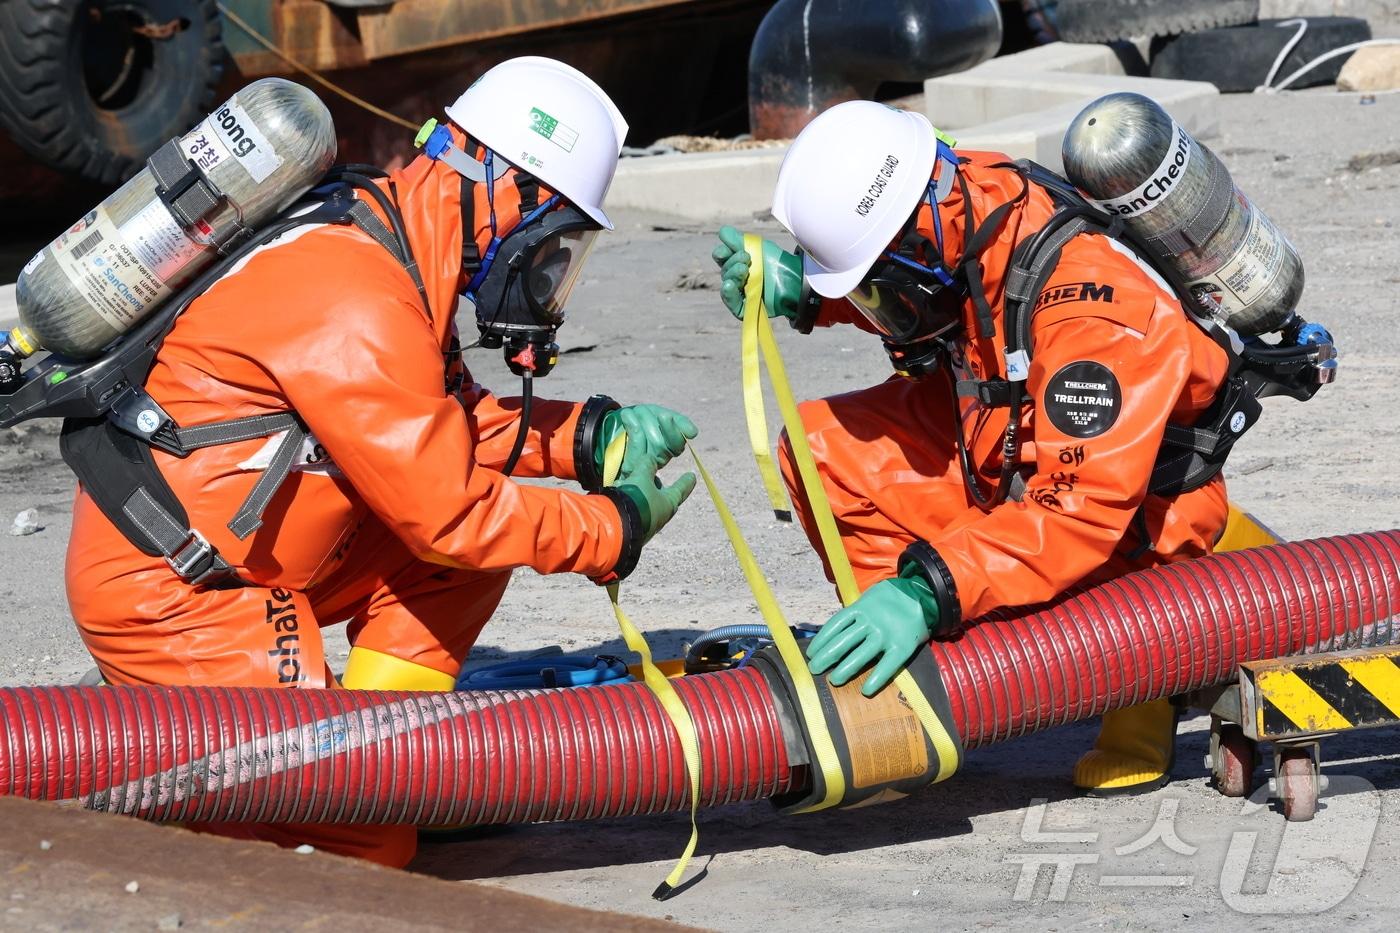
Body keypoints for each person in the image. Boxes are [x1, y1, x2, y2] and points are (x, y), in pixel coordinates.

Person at [65, 57, 696, 865]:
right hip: (181, 592)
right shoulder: (355, 296)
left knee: (466, 563)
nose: (548, 273)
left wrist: (586, 435)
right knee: (361, 846)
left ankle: (383, 744)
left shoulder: (385, 231)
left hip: (256, 556)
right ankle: (148, 766)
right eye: (555, 245)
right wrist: (614, 525)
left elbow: (433, 425)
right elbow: (451, 514)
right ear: (505, 194)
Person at [712, 100, 1234, 796]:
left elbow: (1079, 513)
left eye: (875, 290)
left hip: (1133, 520)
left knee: (1070, 567)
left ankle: (1140, 687)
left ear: (920, 234)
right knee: (824, 448)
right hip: (1004, 440)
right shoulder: (961, 195)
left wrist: (927, 589)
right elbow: (925, 287)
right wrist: (811, 292)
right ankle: (906, 687)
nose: (876, 308)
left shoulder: (1098, 315)